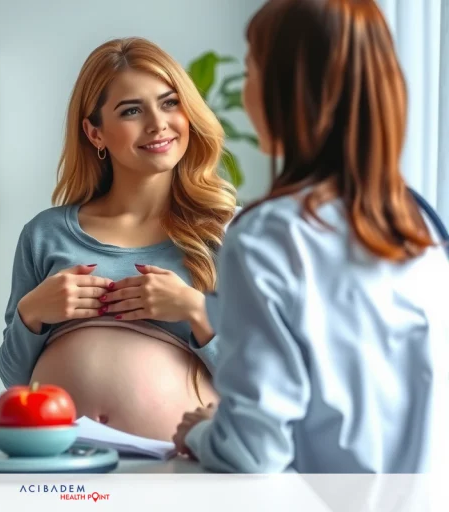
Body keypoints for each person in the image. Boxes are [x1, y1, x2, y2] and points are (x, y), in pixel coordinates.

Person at [172, 0, 449, 473]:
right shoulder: (422, 230)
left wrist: (200, 433)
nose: (245, 93)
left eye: (251, 69)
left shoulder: (266, 237)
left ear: (290, 89)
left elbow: (254, 452)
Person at [0, 37, 237, 441]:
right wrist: (32, 313)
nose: (158, 123)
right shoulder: (44, 234)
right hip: (62, 466)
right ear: (95, 133)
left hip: (175, 473)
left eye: (170, 102)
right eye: (131, 110)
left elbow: (260, 383)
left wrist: (196, 311)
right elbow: (15, 380)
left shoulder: (225, 233)